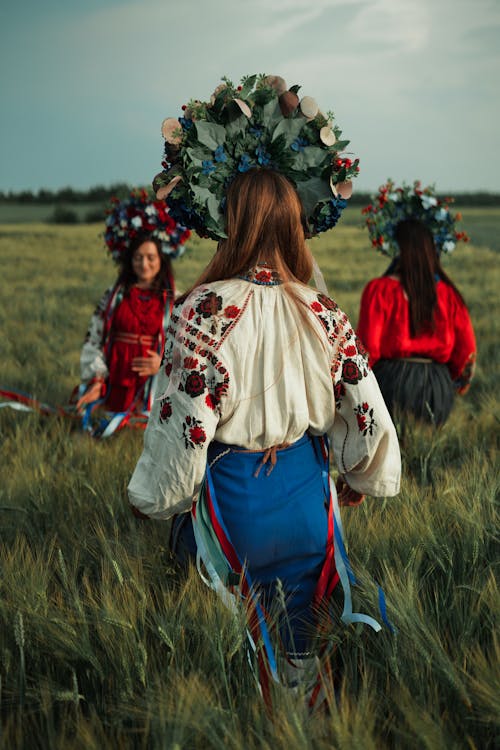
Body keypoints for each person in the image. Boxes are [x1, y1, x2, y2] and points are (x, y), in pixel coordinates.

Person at [128, 76, 401, 704]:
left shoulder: (202, 309)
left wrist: (158, 498)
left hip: (236, 507)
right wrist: (360, 478)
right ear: (293, 222)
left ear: (229, 222)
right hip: (307, 503)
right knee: (309, 620)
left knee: (214, 584)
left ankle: (251, 689)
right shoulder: (322, 309)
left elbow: (181, 431)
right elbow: (366, 407)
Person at [358, 181, 476, 426]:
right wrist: (450, 383)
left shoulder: (380, 290)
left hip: (392, 384)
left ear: (397, 249)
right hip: (437, 387)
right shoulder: (449, 294)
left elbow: (368, 350)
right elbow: (466, 354)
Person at [76, 191, 190, 428]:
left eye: (150, 257)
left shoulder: (174, 301)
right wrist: (96, 378)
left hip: (153, 387)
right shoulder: (113, 296)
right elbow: (94, 338)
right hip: (117, 381)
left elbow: (183, 347)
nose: (144, 264)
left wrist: (162, 363)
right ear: (129, 260)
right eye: (138, 257)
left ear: (162, 259)